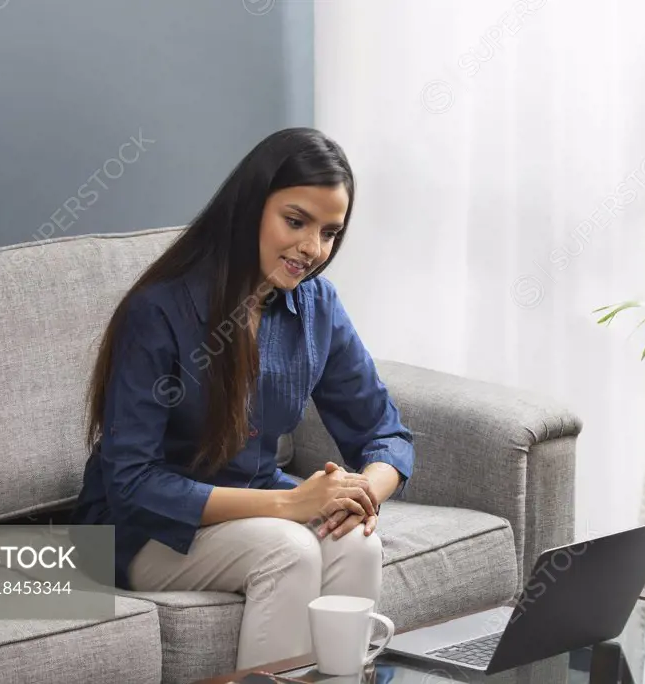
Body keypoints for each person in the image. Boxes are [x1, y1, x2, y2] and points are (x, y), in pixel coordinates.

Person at [71, 127, 415, 669]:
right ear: (251, 206)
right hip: (139, 529)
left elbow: (385, 433)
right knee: (290, 549)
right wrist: (290, 505)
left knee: (357, 542)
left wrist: (362, 493)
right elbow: (131, 482)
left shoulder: (317, 305)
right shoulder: (160, 310)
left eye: (329, 233)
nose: (312, 248)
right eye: (295, 221)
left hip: (253, 503)